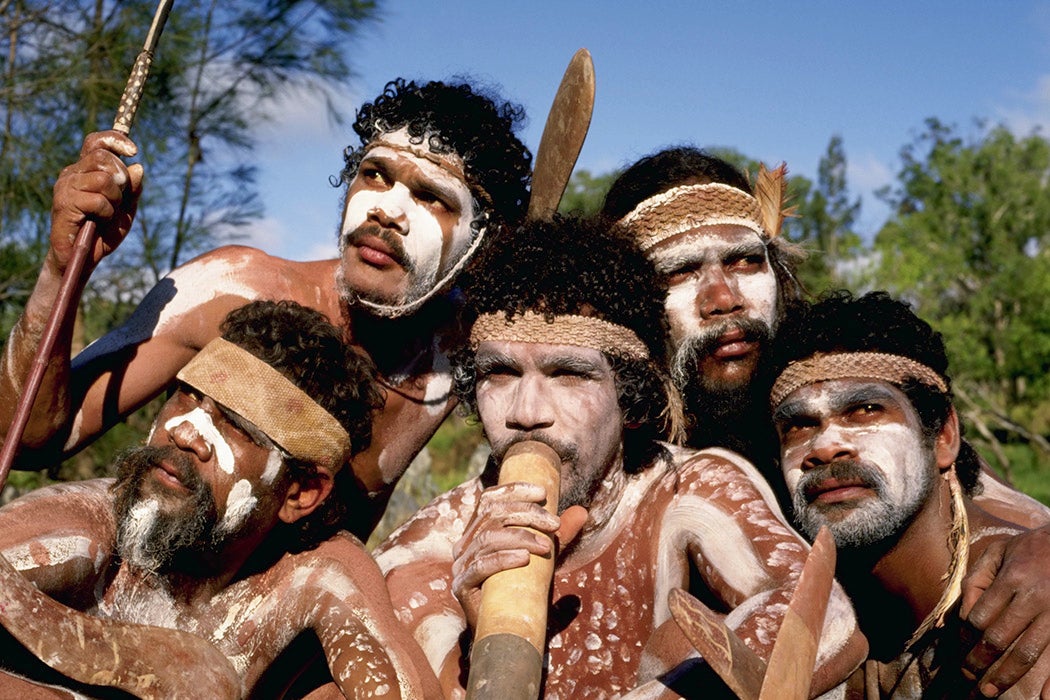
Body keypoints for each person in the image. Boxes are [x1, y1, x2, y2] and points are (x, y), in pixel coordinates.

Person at [0, 78, 532, 538]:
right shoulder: (232, 291)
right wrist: (60, 270)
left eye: (432, 197)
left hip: (293, 637)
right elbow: (25, 439)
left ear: (479, 240)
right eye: (374, 174)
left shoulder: (470, 345)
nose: (387, 210)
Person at [603, 147, 1050, 694]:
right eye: (679, 271)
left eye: (746, 260)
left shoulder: (831, 397)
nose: (723, 298)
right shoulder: (611, 470)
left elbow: (963, 497)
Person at [373, 216, 865, 698]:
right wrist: (480, 647)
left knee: (679, 649)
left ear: (630, 398)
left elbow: (822, 618)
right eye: (499, 373)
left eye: (568, 373)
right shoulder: (439, 538)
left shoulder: (681, 487)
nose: (526, 413)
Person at [0, 300, 440, 699]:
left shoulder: (314, 571)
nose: (184, 431)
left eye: (235, 425)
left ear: (301, 492)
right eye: (186, 397)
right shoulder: (84, 526)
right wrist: (151, 662)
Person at [768, 291, 1050, 698]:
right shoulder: (826, 619)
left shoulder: (1015, 611)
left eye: (865, 410)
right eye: (798, 426)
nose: (825, 446)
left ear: (943, 437)